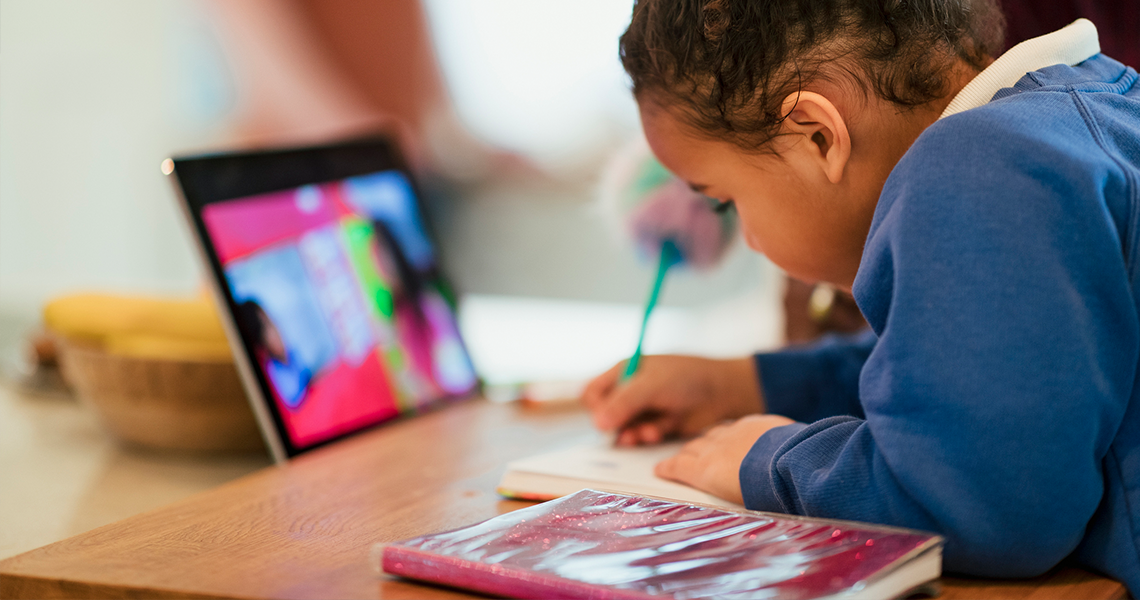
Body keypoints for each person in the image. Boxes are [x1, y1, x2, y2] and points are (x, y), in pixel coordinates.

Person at [581, 0, 1139, 590]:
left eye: (722, 197)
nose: (743, 235)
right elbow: (974, 377)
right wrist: (744, 384)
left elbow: (985, 507)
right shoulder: (1086, 108)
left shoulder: (978, 170)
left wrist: (770, 461)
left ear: (818, 135)